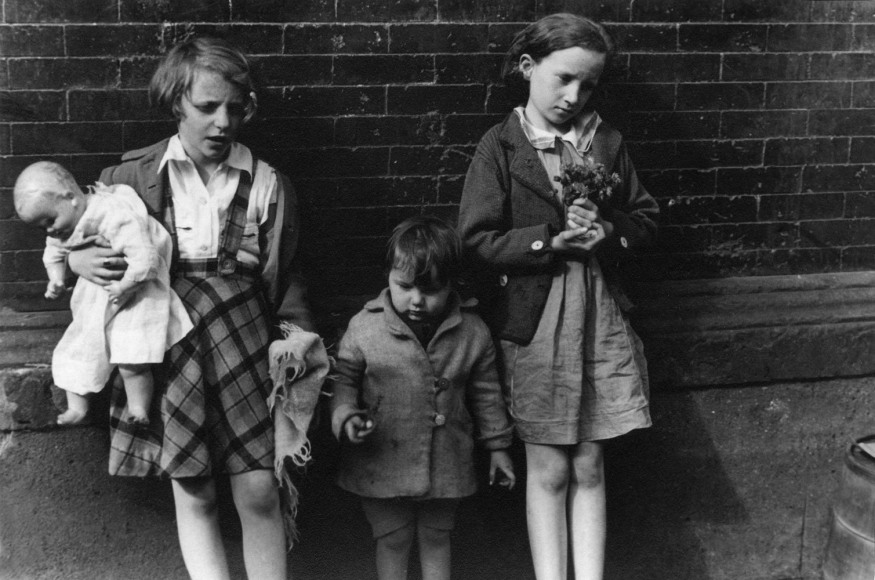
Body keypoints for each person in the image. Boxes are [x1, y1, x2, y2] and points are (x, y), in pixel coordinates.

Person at [66, 37, 314, 580]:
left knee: (258, 487)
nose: (223, 122)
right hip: (172, 342)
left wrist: (297, 345)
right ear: (176, 102)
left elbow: (283, 277)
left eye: (235, 107)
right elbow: (77, 237)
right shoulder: (132, 178)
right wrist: (81, 261)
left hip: (244, 340)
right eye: (207, 107)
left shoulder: (268, 182)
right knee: (195, 487)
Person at [457, 13, 659, 580]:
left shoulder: (607, 143)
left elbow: (645, 218)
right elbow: (476, 239)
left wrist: (609, 232)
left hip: (598, 319)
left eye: (587, 85)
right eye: (562, 79)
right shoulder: (501, 146)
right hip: (537, 323)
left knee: (591, 462)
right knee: (547, 466)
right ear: (528, 68)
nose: (573, 96)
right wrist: (549, 240)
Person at [330, 215, 517, 580]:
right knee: (393, 538)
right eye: (404, 286)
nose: (416, 300)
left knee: (436, 537)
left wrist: (498, 447)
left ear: (451, 285)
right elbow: (343, 379)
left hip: (446, 461)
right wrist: (346, 416)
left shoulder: (471, 331)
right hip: (381, 461)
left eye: (430, 290)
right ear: (388, 275)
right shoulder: (364, 327)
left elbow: (486, 392)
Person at [13, 161, 192, 426]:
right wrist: (56, 279)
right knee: (78, 348)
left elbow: (146, 259)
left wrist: (125, 286)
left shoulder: (112, 213)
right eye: (42, 227)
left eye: (50, 221)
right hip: (98, 294)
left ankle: (139, 409)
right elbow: (54, 252)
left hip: (139, 291)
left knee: (133, 356)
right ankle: (77, 408)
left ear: (71, 199)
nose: (50, 230)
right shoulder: (62, 223)